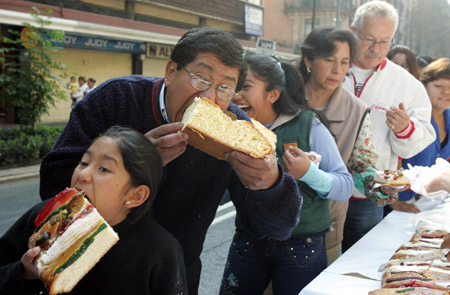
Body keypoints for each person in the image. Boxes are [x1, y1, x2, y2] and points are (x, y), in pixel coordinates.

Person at [39, 27, 302, 295]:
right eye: (200, 77)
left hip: (176, 276)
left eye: (224, 87)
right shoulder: (116, 98)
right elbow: (52, 185)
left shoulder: (238, 131)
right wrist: (132, 163)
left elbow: (278, 227)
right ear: (171, 71)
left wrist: (269, 184)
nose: (208, 98)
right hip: (89, 269)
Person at [219, 53, 353, 295]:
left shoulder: (309, 125)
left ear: (273, 94)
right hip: (249, 240)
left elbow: (345, 186)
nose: (236, 95)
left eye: (245, 87)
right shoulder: (230, 127)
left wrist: (309, 172)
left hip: (302, 244)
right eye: (233, 87)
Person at [0, 126, 187, 295]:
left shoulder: (160, 250)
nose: (83, 175)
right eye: (83, 162)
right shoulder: (44, 217)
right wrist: (25, 274)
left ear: (136, 195)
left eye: (104, 169)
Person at [341, 0, 436, 252]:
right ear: (352, 32)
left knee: (358, 258)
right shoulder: (330, 69)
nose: (375, 49)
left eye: (384, 42)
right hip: (322, 187)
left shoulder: (406, 84)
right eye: (368, 39)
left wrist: (406, 129)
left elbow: (425, 133)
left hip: (371, 192)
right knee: (318, 258)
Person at [298, 25, 394, 264]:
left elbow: (361, 167)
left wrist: (383, 185)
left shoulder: (356, 111)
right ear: (308, 59)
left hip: (324, 228)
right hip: (270, 222)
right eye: (329, 60)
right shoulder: (279, 95)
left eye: (344, 62)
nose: (336, 70)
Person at [390, 58, 450, 213]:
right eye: (438, 86)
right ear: (423, 86)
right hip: (393, 201)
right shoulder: (410, 117)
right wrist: (393, 200)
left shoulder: (448, 117)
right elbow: (393, 156)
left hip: (424, 201)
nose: (446, 92)